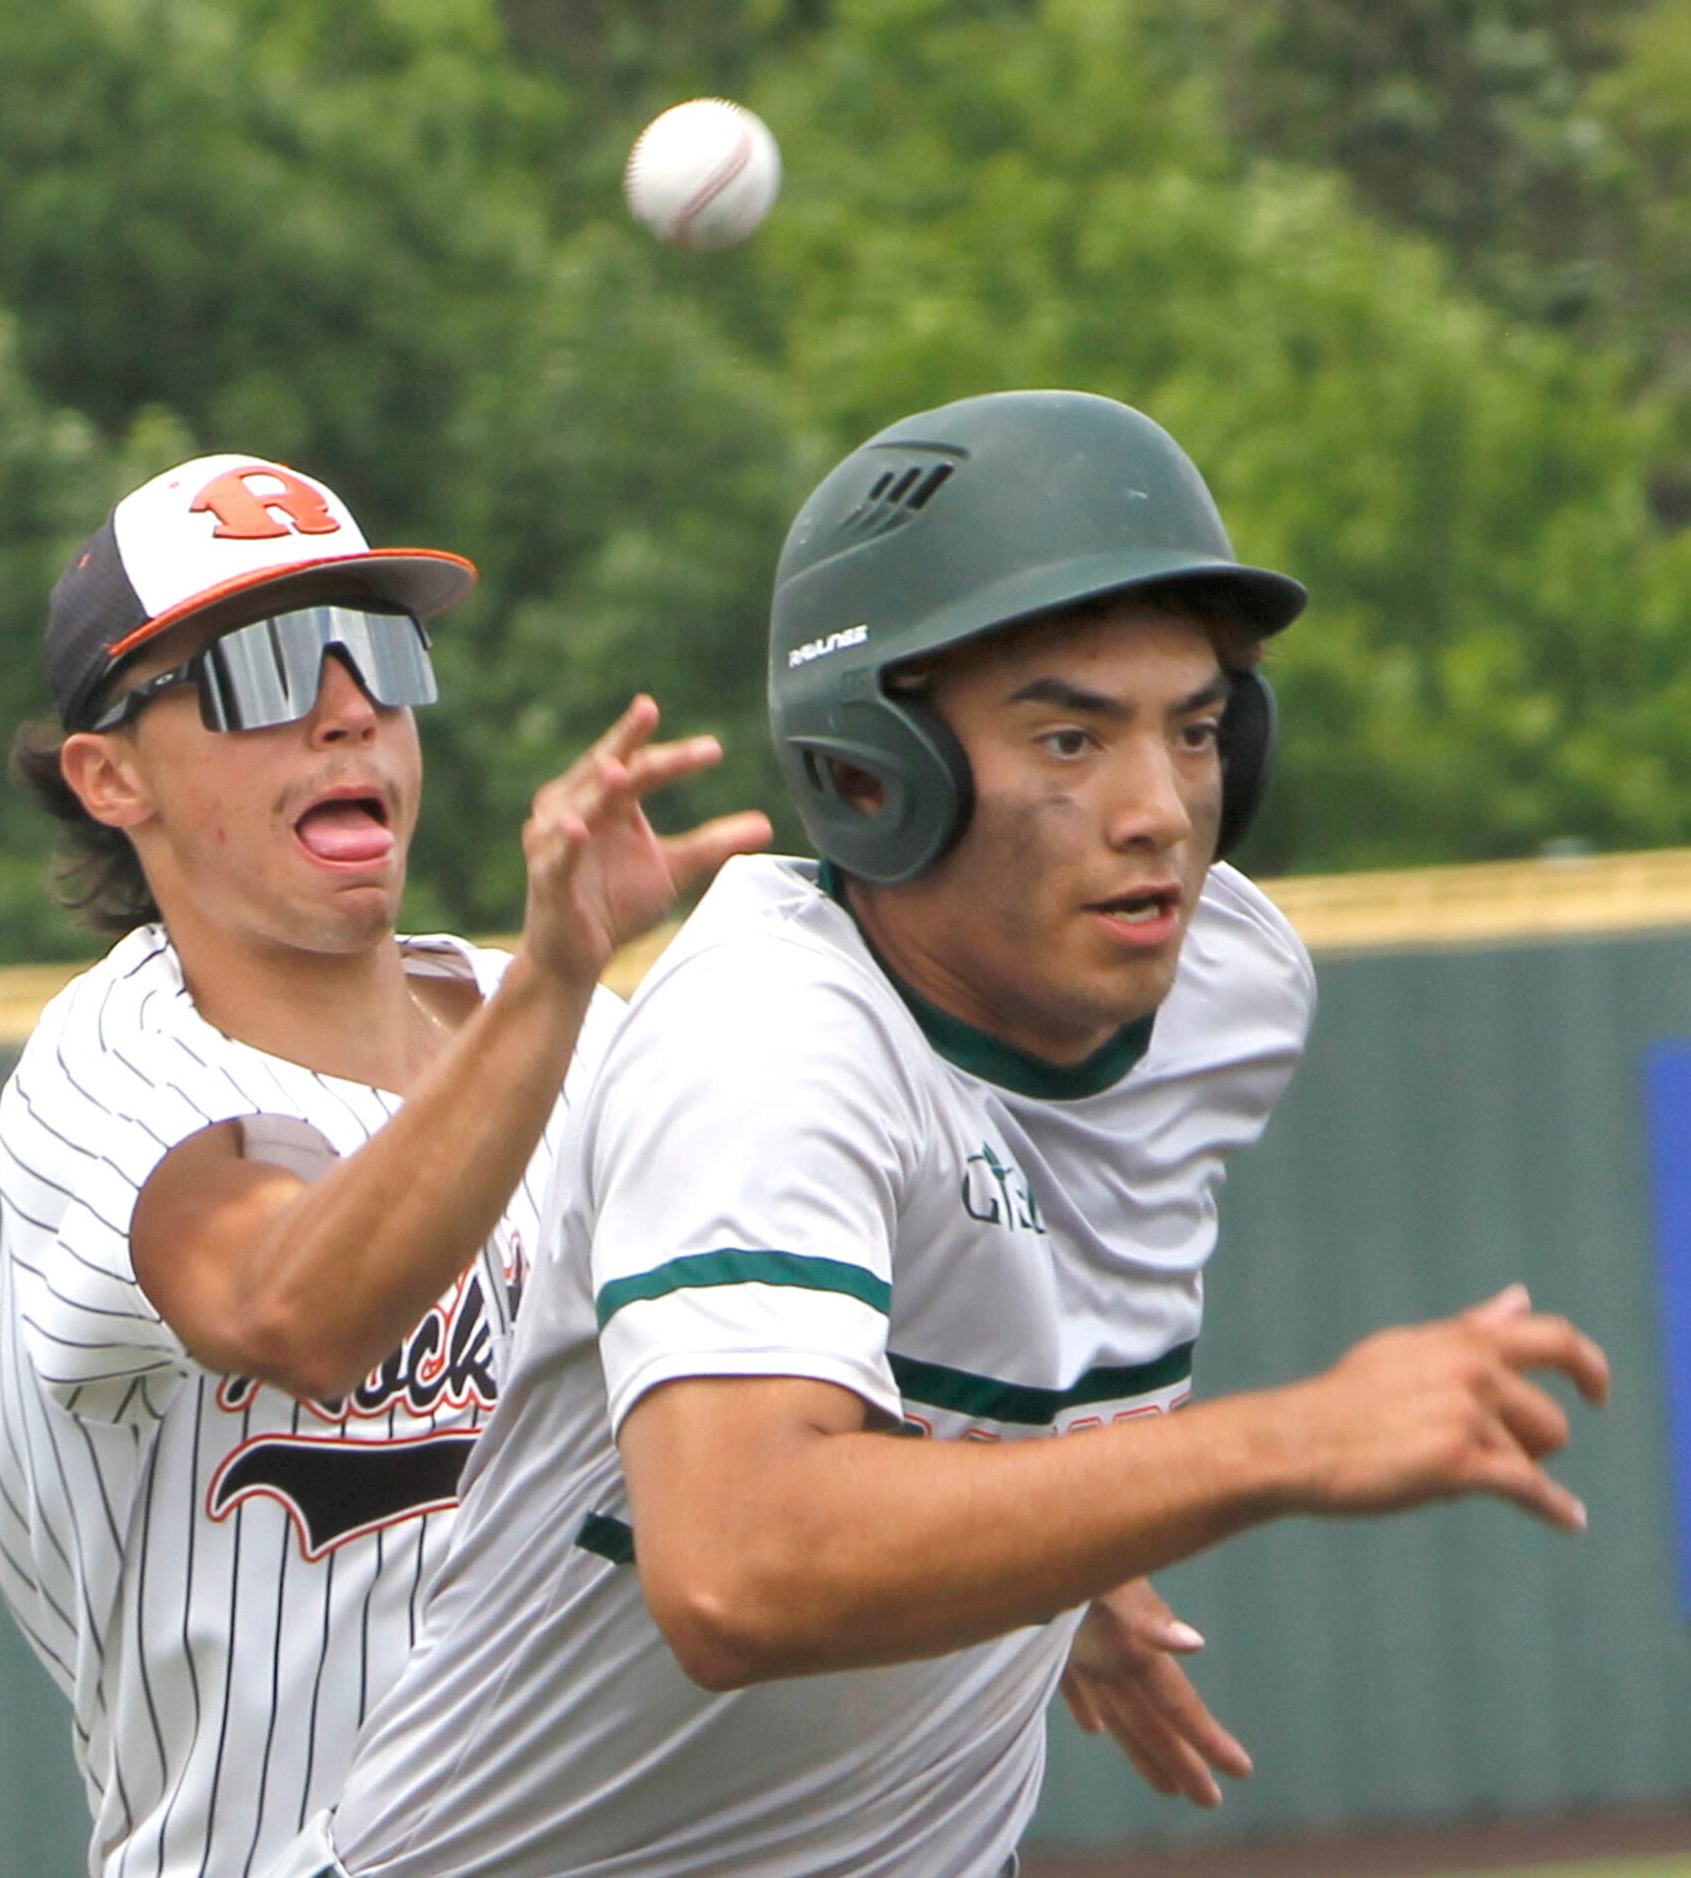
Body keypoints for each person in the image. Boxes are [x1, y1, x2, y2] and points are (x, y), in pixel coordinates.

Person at [301, 391, 1608, 1878]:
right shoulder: (769, 1041)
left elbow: (1012, 1331)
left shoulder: (1226, 988)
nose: (1157, 810)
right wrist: (1289, 1437)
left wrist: (1053, 1558)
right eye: (1068, 736)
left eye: (1193, 732)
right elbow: (738, 1565)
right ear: (872, 771)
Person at [0, 452, 770, 1877]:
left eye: (378, 652)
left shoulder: (580, 1031)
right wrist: (554, 981)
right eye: (267, 666)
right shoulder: (108, 1069)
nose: (349, 707)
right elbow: (297, 1312)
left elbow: (787, 1348)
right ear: (110, 775)